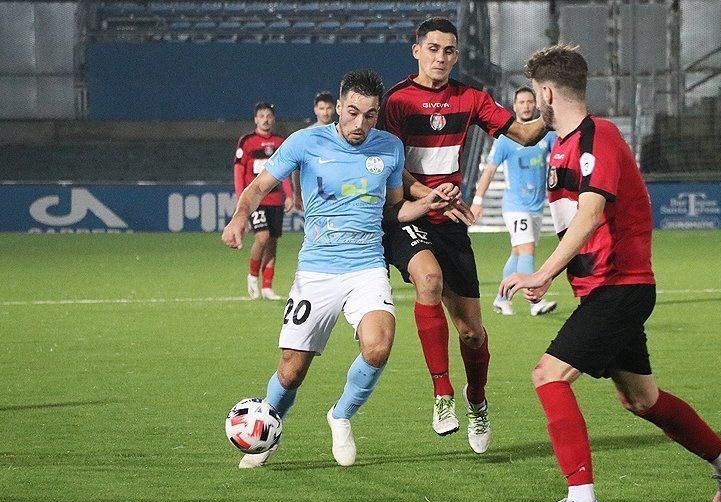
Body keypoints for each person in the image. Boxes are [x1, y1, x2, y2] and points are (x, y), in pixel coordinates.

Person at [500, 45, 721, 502]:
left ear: (548, 93)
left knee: (548, 375)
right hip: (602, 289)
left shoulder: (601, 138)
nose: (535, 103)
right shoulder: (561, 145)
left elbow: (591, 213)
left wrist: (543, 271)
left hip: (621, 286)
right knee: (641, 399)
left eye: (537, 93)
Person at [222, 70, 453, 469]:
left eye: (370, 115)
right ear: (339, 107)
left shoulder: (390, 148)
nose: (360, 124)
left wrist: (427, 204)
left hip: (366, 266)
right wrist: (240, 217)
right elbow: (258, 187)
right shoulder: (306, 141)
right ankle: (269, 427)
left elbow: (394, 210)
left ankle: (341, 414)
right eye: (352, 112)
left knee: (378, 346)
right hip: (318, 271)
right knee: (292, 370)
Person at [379, 17, 549, 453]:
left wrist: (557, 111)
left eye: (449, 50)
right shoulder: (396, 101)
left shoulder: (471, 98)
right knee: (429, 280)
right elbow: (391, 166)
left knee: (471, 332)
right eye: (433, 48)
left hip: (449, 223)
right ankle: (442, 396)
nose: (441, 57)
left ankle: (477, 400)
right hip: (408, 215)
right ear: (416, 50)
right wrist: (428, 195)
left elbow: (526, 135)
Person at [471, 87, 558, 317]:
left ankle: (501, 299)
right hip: (515, 206)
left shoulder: (545, 135)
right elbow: (489, 171)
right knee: (527, 249)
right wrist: (478, 201)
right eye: (522, 102)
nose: (527, 106)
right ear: (515, 106)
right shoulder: (506, 139)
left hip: (536, 205)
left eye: (530, 101)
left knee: (518, 253)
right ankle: (534, 302)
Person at [233, 102, 295, 300]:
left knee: (272, 242)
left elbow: (284, 173)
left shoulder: (279, 142)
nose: (265, 119)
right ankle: (253, 276)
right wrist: (241, 199)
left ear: (273, 118)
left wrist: (290, 195)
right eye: (261, 116)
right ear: (255, 119)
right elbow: (239, 172)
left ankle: (267, 286)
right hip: (257, 201)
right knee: (262, 237)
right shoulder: (247, 141)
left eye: (269, 115)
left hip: (275, 200)